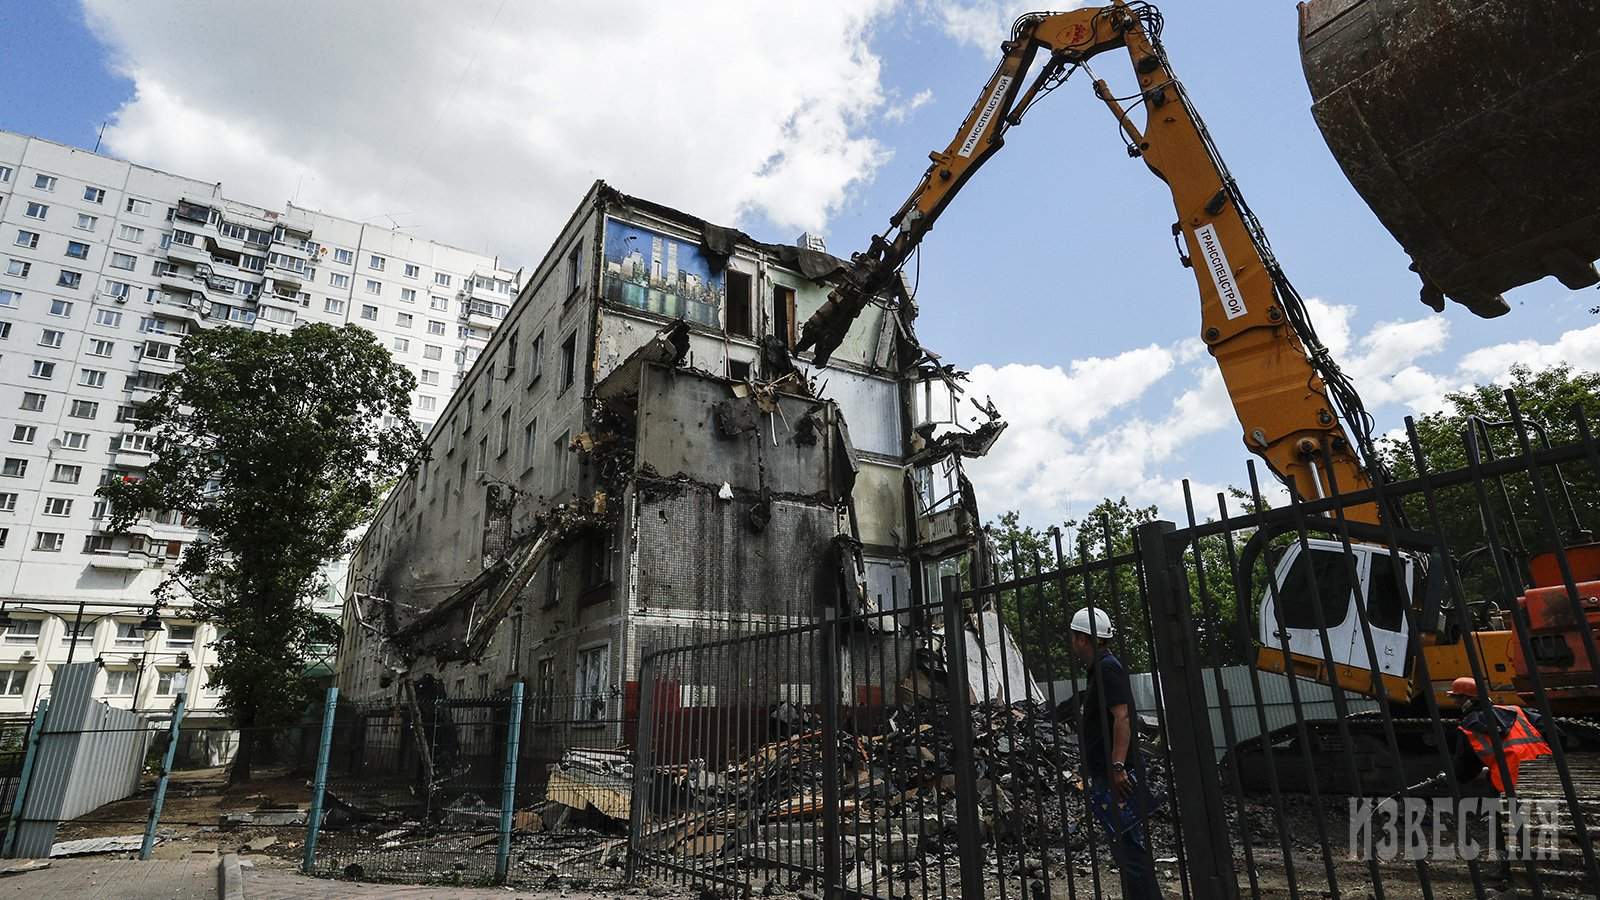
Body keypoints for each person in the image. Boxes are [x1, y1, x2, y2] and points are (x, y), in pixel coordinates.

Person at [1071, 606, 1166, 900]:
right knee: (1125, 848)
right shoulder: (1099, 669)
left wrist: (1117, 767)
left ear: (1084, 639)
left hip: (1117, 777)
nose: (1071, 642)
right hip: (1109, 774)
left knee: (1130, 850)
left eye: (1074, 637)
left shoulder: (1107, 668)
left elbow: (1122, 717)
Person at [1448, 675, 1553, 886]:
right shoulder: (1515, 711)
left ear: (1466, 700)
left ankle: (1506, 870)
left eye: (1457, 698)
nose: (1455, 703)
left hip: (1507, 781)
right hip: (1541, 772)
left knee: (1500, 822)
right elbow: (1549, 728)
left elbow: (1465, 765)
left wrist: (1461, 777)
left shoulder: (1468, 726)